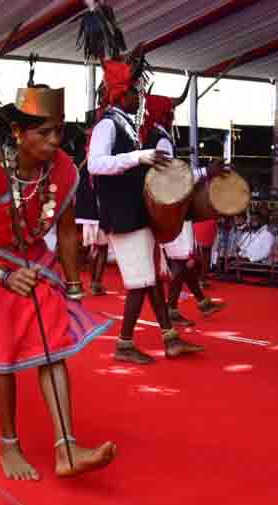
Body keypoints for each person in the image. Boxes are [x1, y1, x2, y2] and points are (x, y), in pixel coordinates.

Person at [0, 86, 115, 480]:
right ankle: (9, 444)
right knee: (3, 348)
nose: (55, 140)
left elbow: (66, 231)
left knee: (53, 344)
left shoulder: (63, 168)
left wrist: (73, 284)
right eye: (44, 132)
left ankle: (67, 449)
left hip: (29, 251)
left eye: (59, 130)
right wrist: (5, 277)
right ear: (17, 132)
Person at [88, 57, 203, 364]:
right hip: (123, 216)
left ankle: (170, 338)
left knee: (150, 280)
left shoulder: (125, 124)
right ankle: (124, 344)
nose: (140, 98)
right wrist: (138, 157)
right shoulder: (107, 124)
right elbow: (95, 164)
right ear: (120, 93)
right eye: (135, 92)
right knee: (140, 283)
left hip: (136, 214)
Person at [141, 85, 226, 326]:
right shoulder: (162, 140)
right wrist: (206, 172)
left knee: (181, 259)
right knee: (180, 260)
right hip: (170, 208)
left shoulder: (148, 137)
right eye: (172, 113)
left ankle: (201, 301)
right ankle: (171, 310)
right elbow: (173, 178)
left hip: (158, 207)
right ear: (166, 115)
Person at [73, 170, 108, 295]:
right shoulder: (98, 163)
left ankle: (76, 283)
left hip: (80, 210)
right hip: (97, 210)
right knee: (101, 248)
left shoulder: (76, 162)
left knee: (86, 249)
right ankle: (95, 283)